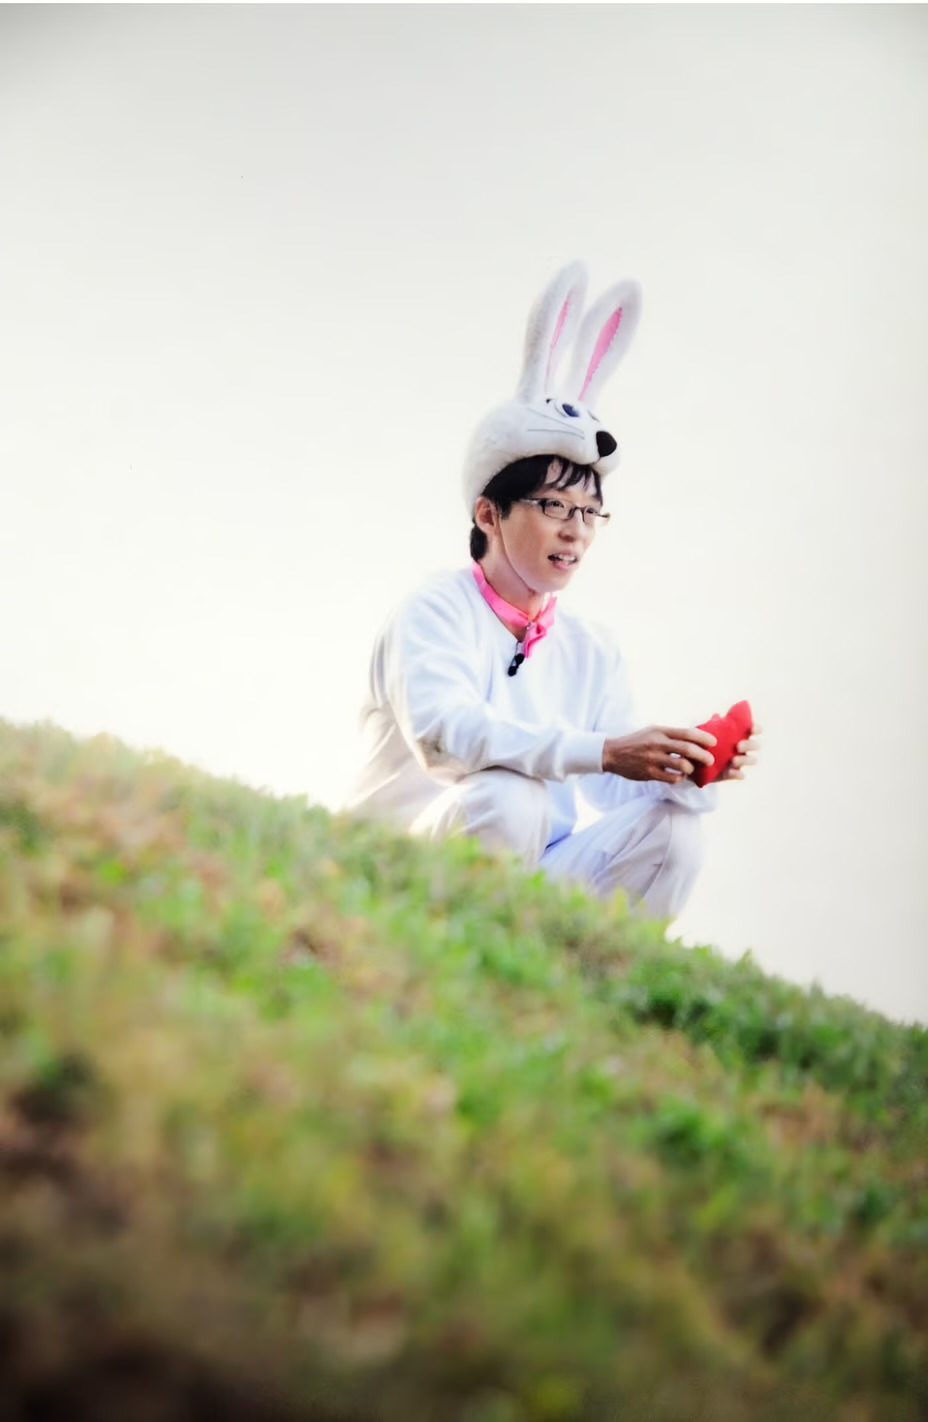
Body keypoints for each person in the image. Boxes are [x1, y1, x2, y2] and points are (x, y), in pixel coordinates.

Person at [345, 261, 759, 920]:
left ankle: (585, 979)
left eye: (591, 512)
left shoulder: (593, 648)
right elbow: (446, 738)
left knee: (675, 832)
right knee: (513, 796)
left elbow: (615, 784)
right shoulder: (431, 611)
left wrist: (684, 766)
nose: (577, 531)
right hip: (395, 870)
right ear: (489, 514)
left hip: (530, 870)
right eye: (555, 507)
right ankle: (443, 962)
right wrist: (605, 751)